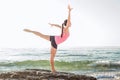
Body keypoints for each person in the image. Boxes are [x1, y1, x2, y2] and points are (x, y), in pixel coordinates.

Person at [23, 4, 72, 73]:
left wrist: (53, 24)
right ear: (67, 24)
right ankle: (53, 70)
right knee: (52, 56)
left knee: (41, 35)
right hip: (55, 41)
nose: (71, 23)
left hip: (54, 38)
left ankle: (31, 31)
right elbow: (68, 20)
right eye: (69, 22)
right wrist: (69, 11)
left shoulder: (64, 28)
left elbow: (59, 25)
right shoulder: (66, 29)